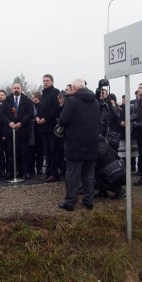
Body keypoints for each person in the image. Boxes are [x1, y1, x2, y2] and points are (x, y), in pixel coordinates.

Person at [57, 78, 100, 212]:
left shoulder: (72, 101)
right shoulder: (95, 102)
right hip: (92, 142)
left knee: (73, 174)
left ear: (74, 89)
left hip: (75, 142)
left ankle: (70, 202)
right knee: (89, 174)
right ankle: (88, 201)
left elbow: (63, 120)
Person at [1, 83, 34, 179]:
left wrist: (21, 122)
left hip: (23, 130)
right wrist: (9, 122)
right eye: (14, 88)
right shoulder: (7, 100)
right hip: (10, 131)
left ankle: (25, 171)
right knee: (10, 153)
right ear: (12, 89)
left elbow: (30, 113)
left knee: (24, 153)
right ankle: (10, 172)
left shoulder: (27, 101)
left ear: (21, 89)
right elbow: (2, 113)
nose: (16, 89)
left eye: (18, 88)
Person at [36, 74, 60, 182]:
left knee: (53, 151)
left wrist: (46, 118)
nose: (45, 82)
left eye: (47, 80)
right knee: (47, 152)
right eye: (44, 80)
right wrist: (38, 116)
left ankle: (54, 173)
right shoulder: (43, 94)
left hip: (51, 127)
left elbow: (55, 109)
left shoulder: (55, 92)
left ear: (52, 81)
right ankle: (48, 172)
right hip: (43, 128)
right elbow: (41, 108)